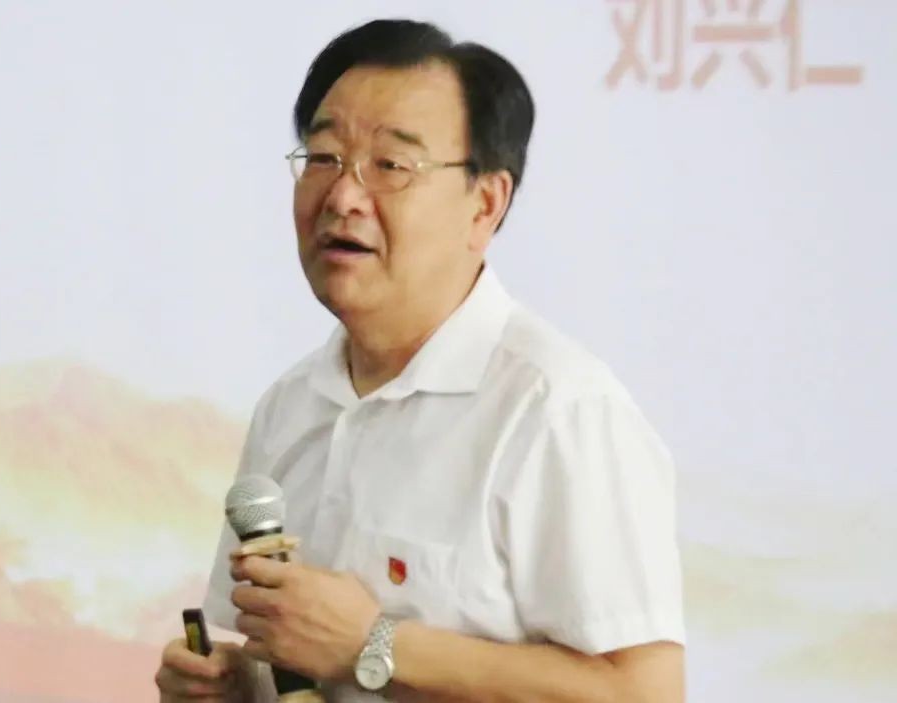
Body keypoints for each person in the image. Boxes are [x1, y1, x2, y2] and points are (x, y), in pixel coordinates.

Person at [156, 18, 685, 703]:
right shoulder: (290, 407)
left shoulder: (556, 409)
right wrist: (236, 684)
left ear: (484, 205)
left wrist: (375, 644)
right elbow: (294, 655)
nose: (343, 196)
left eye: (391, 166)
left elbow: (645, 692)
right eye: (323, 158)